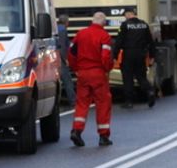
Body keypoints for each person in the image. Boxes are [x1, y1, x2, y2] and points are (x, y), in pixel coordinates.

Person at [69, 11, 114, 147]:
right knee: (103, 103)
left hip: (82, 73)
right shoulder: (104, 36)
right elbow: (105, 57)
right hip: (98, 73)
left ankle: (76, 130)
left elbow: (71, 54)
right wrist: (107, 69)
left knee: (82, 103)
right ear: (104, 23)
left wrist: (75, 68)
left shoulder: (80, 34)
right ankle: (103, 135)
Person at [113, 8, 156, 108]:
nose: (125, 17)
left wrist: (114, 55)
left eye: (125, 15)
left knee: (127, 77)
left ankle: (129, 101)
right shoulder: (144, 25)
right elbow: (150, 42)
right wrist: (152, 56)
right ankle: (149, 91)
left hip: (128, 54)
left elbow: (119, 41)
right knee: (141, 76)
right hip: (141, 54)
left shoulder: (125, 25)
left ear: (129, 14)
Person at [56, 14, 75, 105]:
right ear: (66, 22)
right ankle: (73, 100)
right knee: (67, 80)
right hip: (61, 59)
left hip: (54, 57)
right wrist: (65, 59)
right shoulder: (63, 30)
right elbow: (62, 46)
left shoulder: (56, 28)